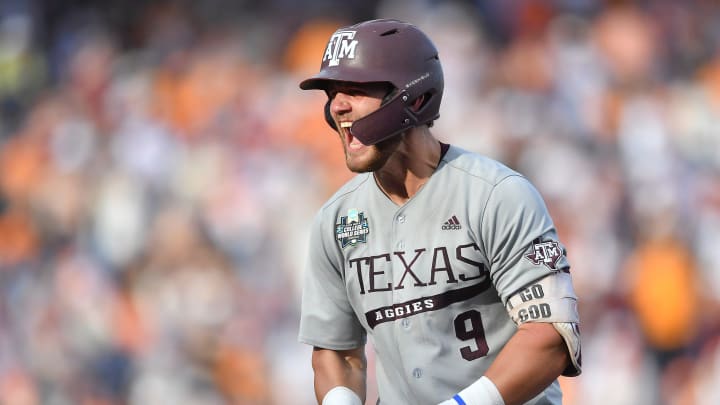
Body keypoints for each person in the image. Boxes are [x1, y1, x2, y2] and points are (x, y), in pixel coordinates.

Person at [297, 19, 581, 405]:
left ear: (414, 97)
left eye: (356, 89)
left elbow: (549, 335)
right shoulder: (336, 220)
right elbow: (337, 349)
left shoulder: (496, 194)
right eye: (332, 93)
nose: (338, 106)